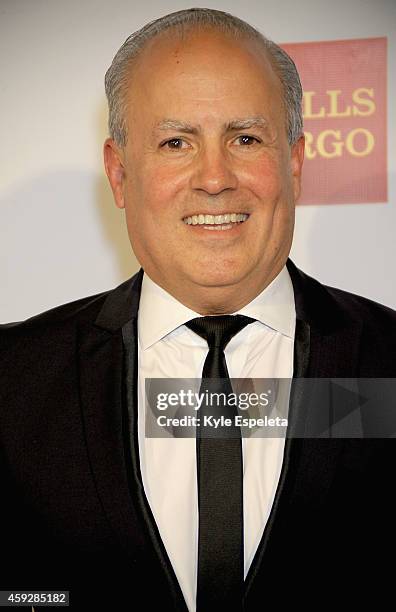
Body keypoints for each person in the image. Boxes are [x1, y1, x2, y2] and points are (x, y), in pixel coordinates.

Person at [1, 7, 395, 611]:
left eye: (245, 138)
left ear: (293, 162)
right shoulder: (12, 381)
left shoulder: (387, 364)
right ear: (119, 173)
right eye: (176, 141)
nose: (214, 178)